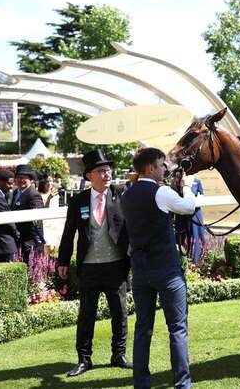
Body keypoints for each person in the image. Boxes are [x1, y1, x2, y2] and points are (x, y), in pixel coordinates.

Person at [121, 147, 196, 389]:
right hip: (166, 269)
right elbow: (188, 207)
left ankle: (141, 384)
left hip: (140, 271)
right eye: (162, 165)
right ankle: (182, 384)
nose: (165, 169)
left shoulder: (126, 195)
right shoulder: (161, 192)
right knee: (177, 328)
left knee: (143, 329)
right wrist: (186, 186)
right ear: (151, 168)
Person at [57, 150, 132, 377]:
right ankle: (84, 359)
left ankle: (118, 355)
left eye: (108, 169)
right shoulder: (78, 200)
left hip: (116, 265)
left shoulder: (121, 194)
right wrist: (62, 260)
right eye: (101, 170)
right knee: (86, 314)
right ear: (89, 175)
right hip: (88, 267)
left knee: (119, 312)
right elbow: (68, 233)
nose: (107, 173)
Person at [11, 164, 45, 263]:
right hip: (19, 239)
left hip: (30, 241)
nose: (20, 180)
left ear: (31, 180)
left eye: (23, 177)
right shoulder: (15, 193)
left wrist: (38, 240)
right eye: (17, 177)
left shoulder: (33, 194)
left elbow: (37, 219)